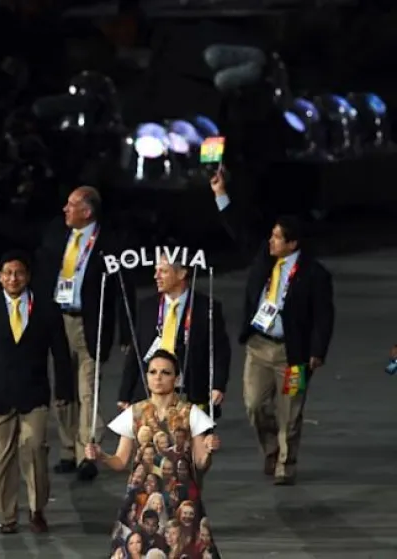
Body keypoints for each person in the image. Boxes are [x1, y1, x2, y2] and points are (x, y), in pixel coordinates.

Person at [0, 183, 133, 481]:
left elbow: (124, 287)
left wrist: (126, 333)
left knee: (88, 388)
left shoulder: (110, 241)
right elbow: (17, 230)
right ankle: (69, 450)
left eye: (71, 205)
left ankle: (88, 454)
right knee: (64, 388)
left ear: (87, 211)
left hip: (89, 323)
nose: (65, 209)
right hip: (55, 321)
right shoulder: (56, 231)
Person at [210, 167, 334, 485]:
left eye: (278, 237)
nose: (271, 240)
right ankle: (270, 448)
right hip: (259, 347)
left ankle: (285, 464)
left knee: (290, 411)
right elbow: (237, 229)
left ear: (292, 244)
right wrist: (220, 193)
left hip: (293, 355)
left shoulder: (315, 274)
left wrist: (316, 352)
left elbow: (323, 315)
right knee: (254, 405)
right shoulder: (263, 258)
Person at [0, 250, 74, 534]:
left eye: (18, 273)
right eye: (7, 273)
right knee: (1, 462)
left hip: (34, 397)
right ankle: (7, 516)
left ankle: (37, 509)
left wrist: (64, 391)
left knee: (34, 453)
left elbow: (61, 354)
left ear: (28, 276)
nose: (13, 278)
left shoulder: (46, 307)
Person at [86, 350, 221, 558]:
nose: (158, 377)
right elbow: (121, 461)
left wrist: (210, 449)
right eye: (153, 372)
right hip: (142, 500)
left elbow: (201, 462)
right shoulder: (135, 412)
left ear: (176, 379)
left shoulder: (190, 412)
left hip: (180, 499)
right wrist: (101, 455)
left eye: (165, 373)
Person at [118, 256, 232, 418]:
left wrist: (218, 385)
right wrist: (125, 392)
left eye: (163, 271)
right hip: (149, 391)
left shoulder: (206, 307)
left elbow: (220, 350)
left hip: (190, 390)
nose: (156, 276)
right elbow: (135, 351)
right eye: (156, 271)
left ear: (181, 274)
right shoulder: (147, 306)